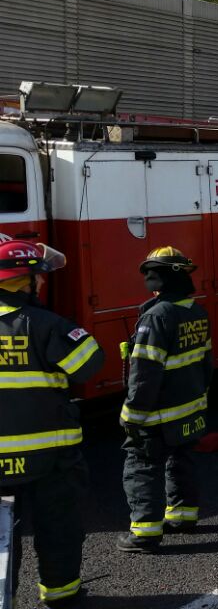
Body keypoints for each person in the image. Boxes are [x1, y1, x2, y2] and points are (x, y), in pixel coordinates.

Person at [0, 238, 104, 607]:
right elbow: (90, 365)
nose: (42, 284)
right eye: (38, 279)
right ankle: (60, 593)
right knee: (58, 525)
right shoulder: (44, 324)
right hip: (50, 456)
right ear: (23, 282)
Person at [117, 247, 213, 553]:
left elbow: (145, 372)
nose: (148, 280)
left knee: (142, 465)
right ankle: (183, 517)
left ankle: (144, 533)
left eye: (152, 274)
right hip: (189, 408)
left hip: (157, 413)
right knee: (181, 459)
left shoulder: (157, 317)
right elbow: (206, 363)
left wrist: (132, 414)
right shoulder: (197, 312)